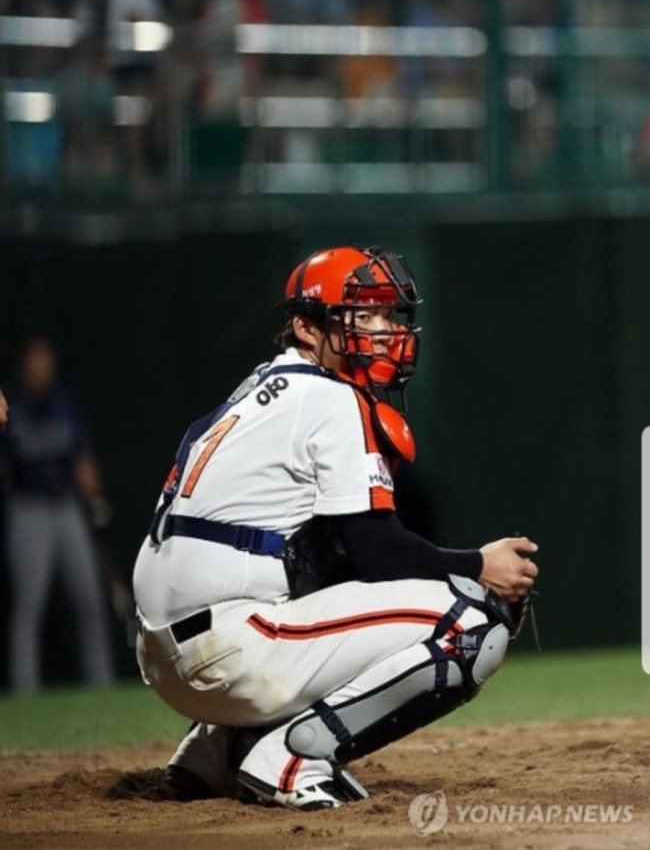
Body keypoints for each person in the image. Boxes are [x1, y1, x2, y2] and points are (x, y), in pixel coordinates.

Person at [133, 246, 538, 811]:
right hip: (228, 646)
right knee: (472, 620)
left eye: (389, 316)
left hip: (165, 650)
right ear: (305, 325)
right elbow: (378, 552)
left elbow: (328, 560)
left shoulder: (262, 388)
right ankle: (289, 758)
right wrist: (478, 564)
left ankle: (215, 753)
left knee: (332, 580)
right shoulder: (329, 396)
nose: (383, 331)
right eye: (362, 316)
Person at [1, 338, 115, 693]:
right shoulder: (13, 406)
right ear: (24, 367)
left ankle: (103, 685)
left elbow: (82, 459)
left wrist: (95, 500)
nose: (43, 370)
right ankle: (26, 690)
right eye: (37, 363)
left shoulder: (64, 405)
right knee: (28, 605)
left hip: (67, 509)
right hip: (28, 509)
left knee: (89, 599)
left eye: (47, 363)